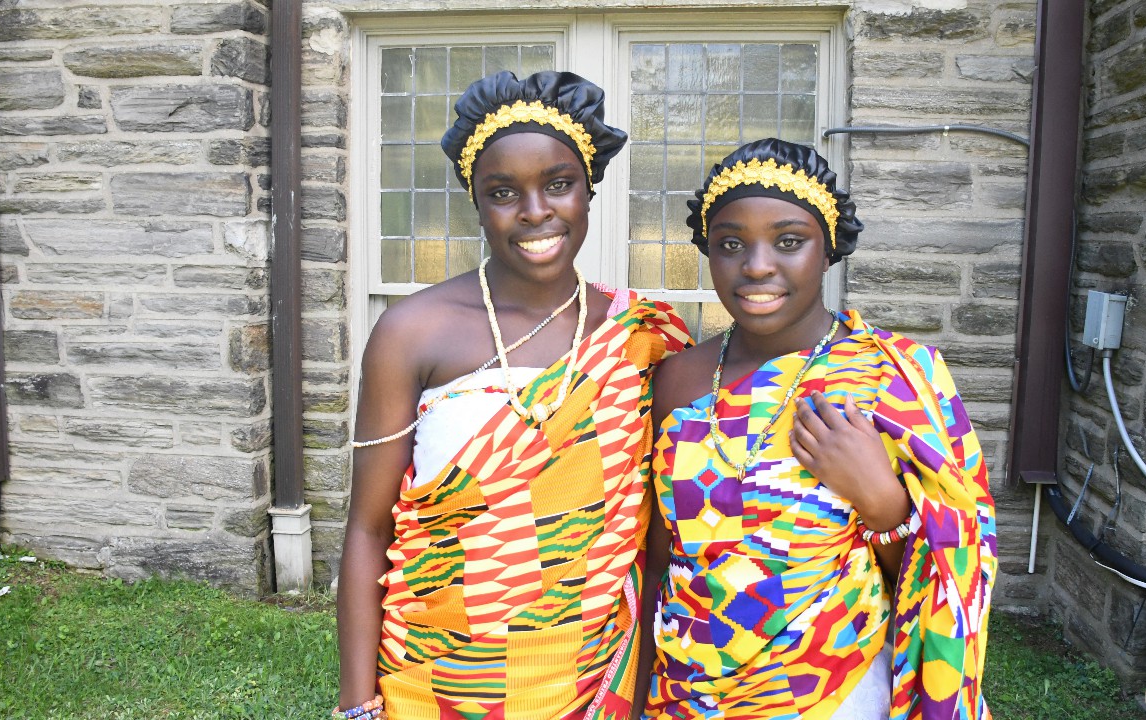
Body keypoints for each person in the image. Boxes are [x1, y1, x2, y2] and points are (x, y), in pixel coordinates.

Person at [336, 70, 691, 720]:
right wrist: (358, 706)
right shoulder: (412, 332)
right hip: (436, 676)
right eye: (503, 192)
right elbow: (367, 527)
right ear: (476, 202)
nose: (535, 211)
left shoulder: (639, 337)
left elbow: (660, 535)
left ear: (588, 189)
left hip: (591, 676)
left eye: (558, 184)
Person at [637, 139, 997, 719]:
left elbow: (951, 568)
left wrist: (880, 501)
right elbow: (657, 558)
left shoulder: (889, 378)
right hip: (687, 689)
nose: (757, 266)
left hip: (833, 687)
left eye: (788, 241)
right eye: (731, 244)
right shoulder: (678, 378)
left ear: (828, 249)